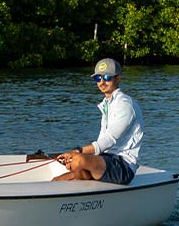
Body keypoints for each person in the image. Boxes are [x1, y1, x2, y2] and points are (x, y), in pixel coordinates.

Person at [54, 57, 143, 185]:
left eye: (106, 78)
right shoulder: (107, 104)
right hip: (105, 158)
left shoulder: (125, 105)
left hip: (123, 166)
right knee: (59, 178)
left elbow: (110, 140)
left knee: (78, 161)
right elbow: (103, 140)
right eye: (98, 78)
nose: (101, 82)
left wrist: (78, 151)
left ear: (117, 79)